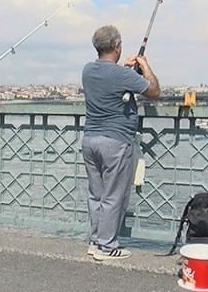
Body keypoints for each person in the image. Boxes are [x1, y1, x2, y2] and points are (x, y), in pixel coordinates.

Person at [81, 25, 160, 261]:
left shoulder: (87, 70)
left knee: (96, 195)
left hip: (90, 140)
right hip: (115, 141)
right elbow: (154, 90)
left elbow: (109, 79)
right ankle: (107, 247)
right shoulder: (121, 75)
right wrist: (143, 67)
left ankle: (95, 241)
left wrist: (125, 70)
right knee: (114, 196)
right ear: (117, 46)